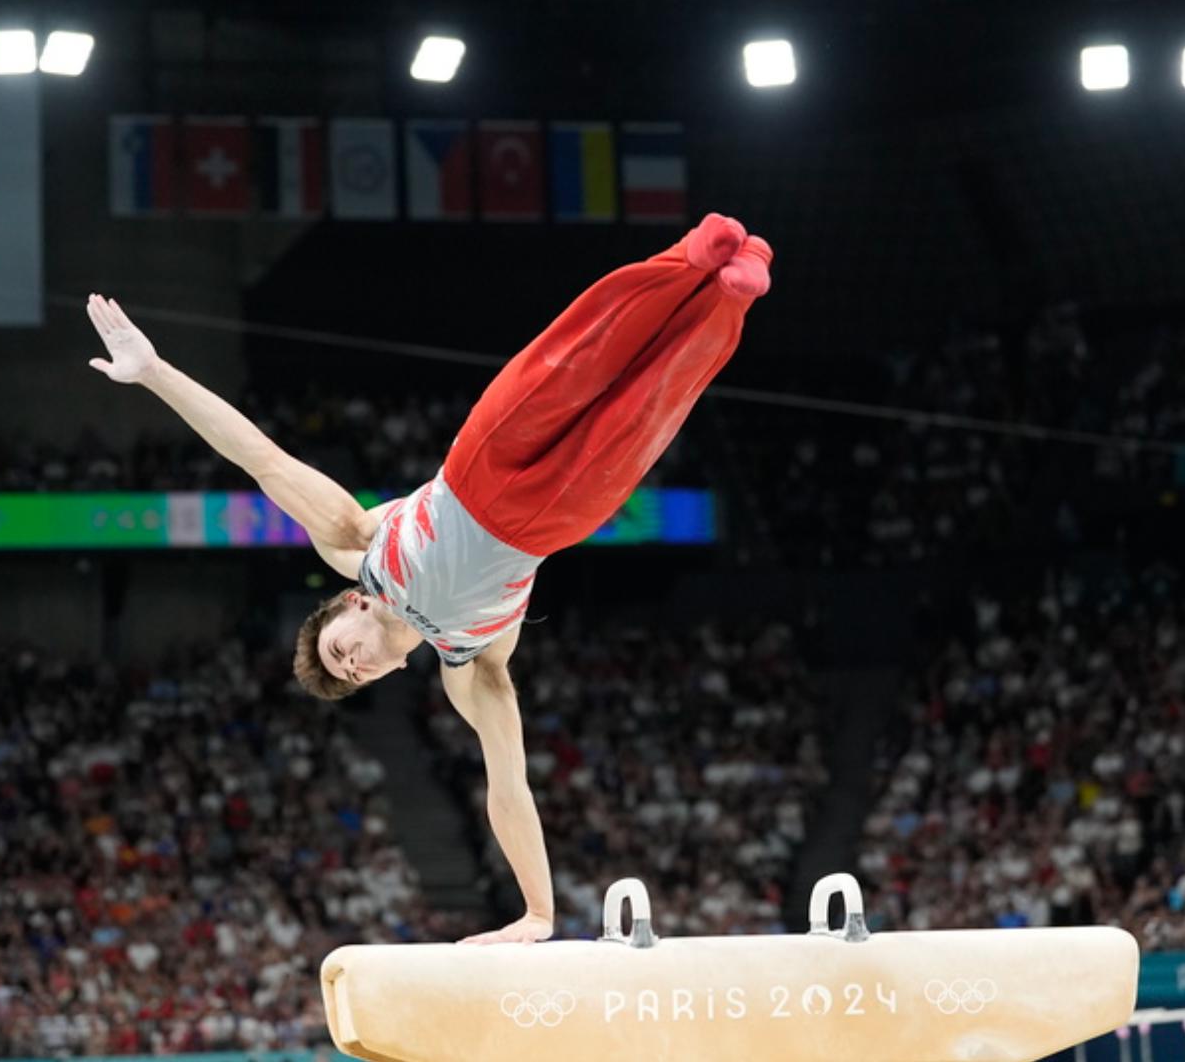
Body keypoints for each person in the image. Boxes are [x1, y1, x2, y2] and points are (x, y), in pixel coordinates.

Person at [85, 212, 772, 943]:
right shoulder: (470, 664)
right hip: (555, 521)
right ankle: (732, 293)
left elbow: (261, 459)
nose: (349, 663)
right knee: (651, 403)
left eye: (335, 650)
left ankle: (692, 256)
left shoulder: (359, 549)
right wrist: (538, 914)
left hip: (482, 465)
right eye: (351, 676)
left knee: (579, 357)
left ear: (348, 604)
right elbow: (509, 788)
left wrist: (154, 373)